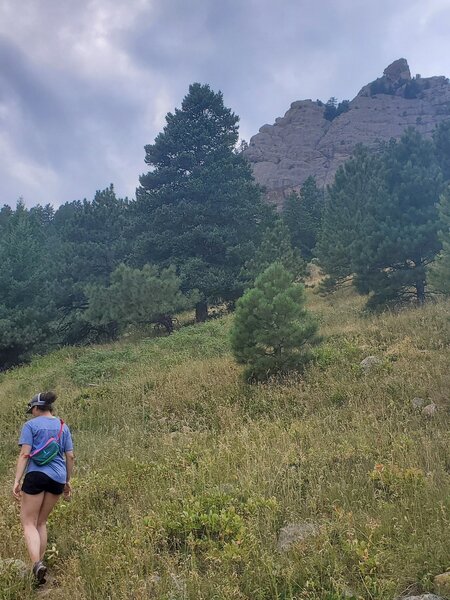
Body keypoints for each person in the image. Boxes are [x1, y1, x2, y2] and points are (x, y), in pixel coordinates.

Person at [13, 391, 74, 585]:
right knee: (41, 522)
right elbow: (70, 456)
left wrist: (17, 480)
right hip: (58, 477)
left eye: (32, 409)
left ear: (37, 408)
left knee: (29, 522)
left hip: (36, 476)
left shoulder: (30, 426)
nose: (31, 413)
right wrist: (67, 481)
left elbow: (24, 454)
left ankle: (36, 564)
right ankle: (39, 569)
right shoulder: (63, 426)